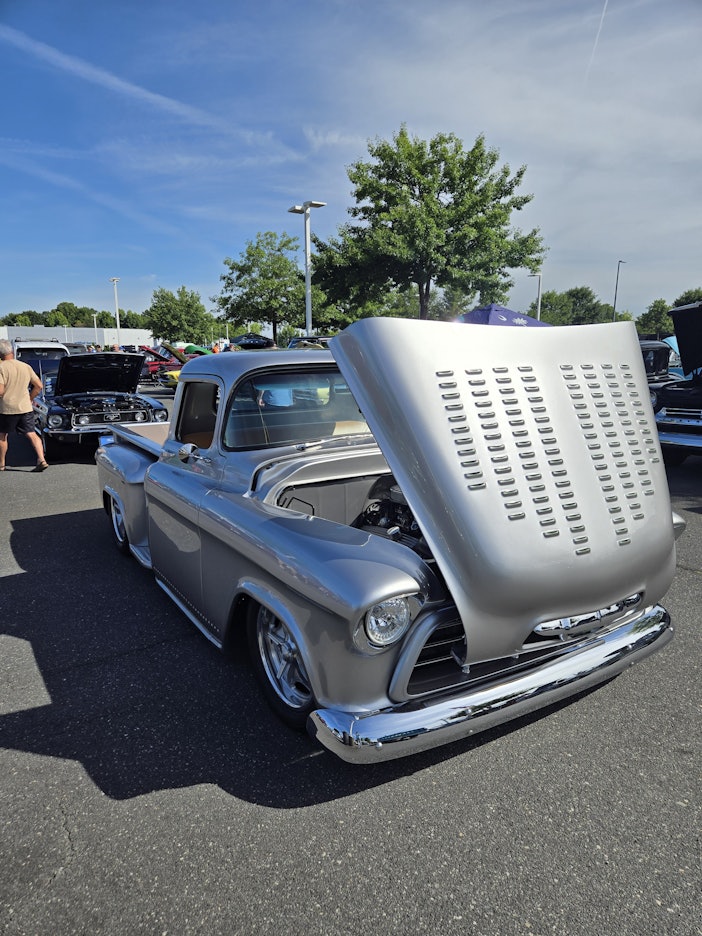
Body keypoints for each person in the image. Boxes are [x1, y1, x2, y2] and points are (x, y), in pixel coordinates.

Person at [0, 339, 48, 471]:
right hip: (25, 406)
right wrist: (30, 398)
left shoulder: (1, 368)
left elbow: (1, 391)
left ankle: (2, 463)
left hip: (7, 408)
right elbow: (39, 386)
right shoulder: (25, 366)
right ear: (11, 351)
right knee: (32, 433)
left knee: (3, 436)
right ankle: (41, 459)